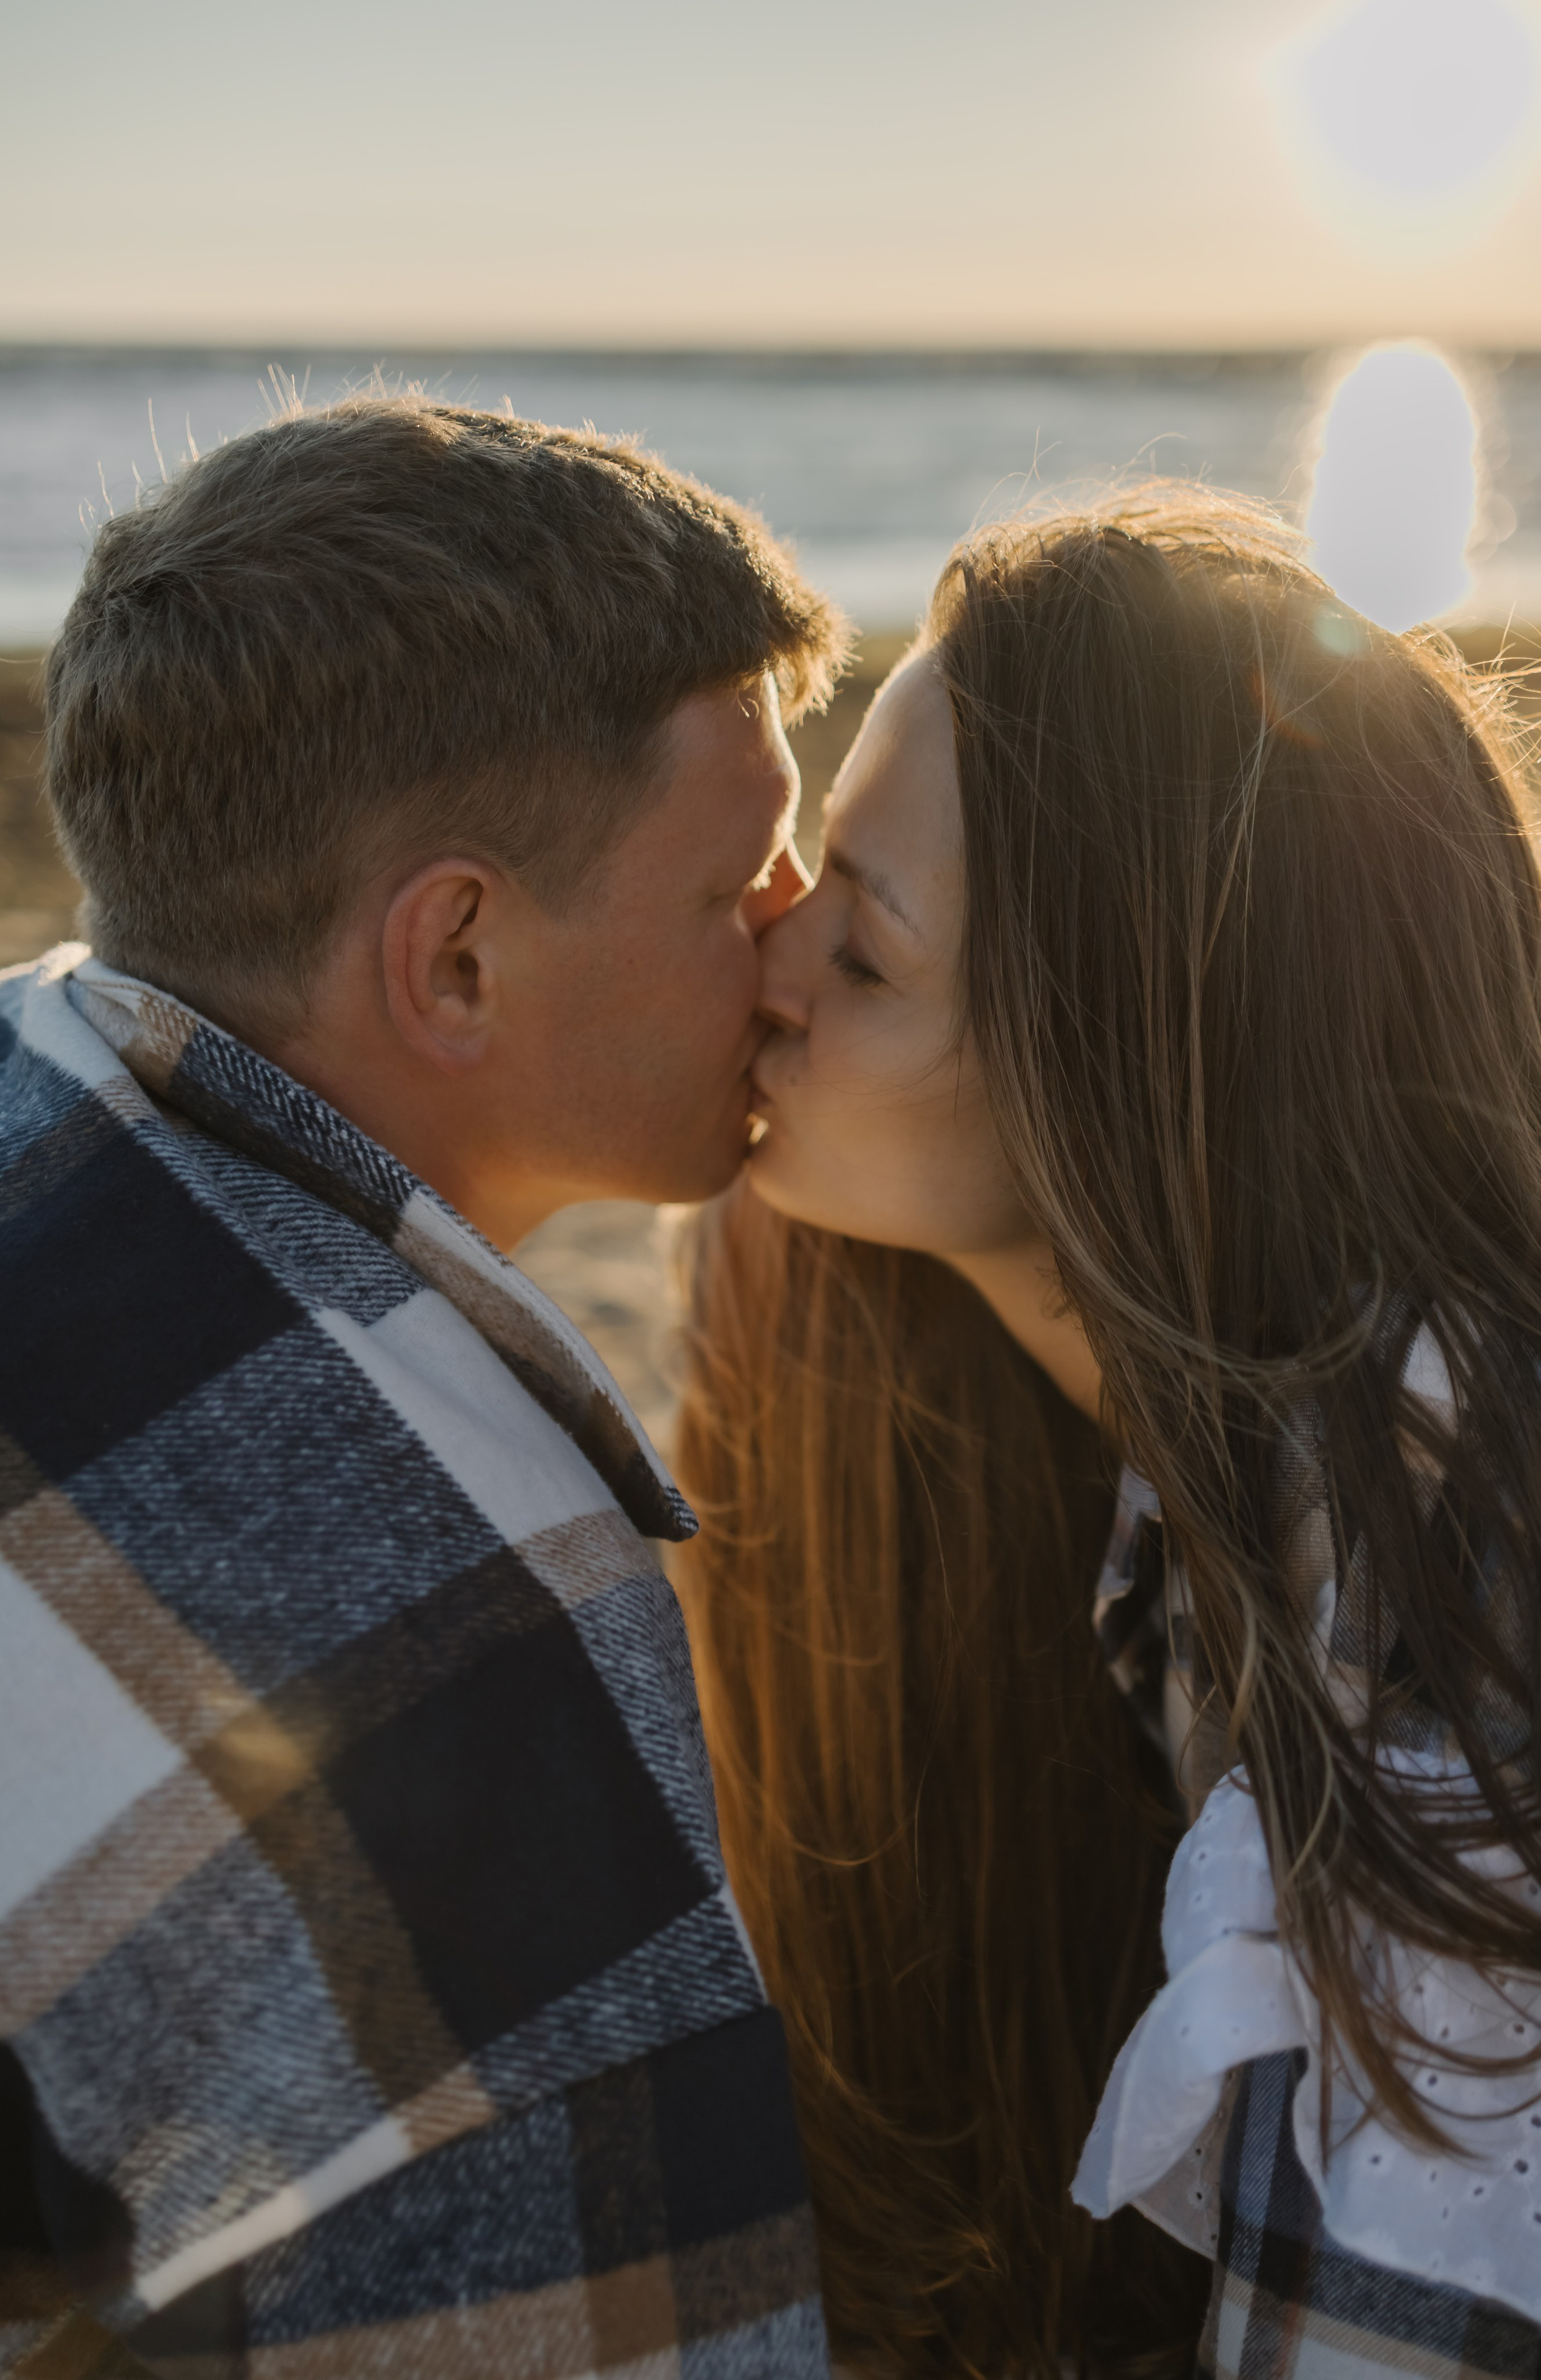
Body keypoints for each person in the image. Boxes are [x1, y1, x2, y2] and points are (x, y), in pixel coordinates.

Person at [673, 483, 1541, 2380]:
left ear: (1127, 1064)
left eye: (866, 953)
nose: (770, 966)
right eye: (816, 874)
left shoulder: (1440, 1515)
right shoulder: (1182, 1492)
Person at [0, 397, 848, 2376]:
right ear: (457, 957)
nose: (804, 935)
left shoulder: (40, 1074)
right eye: (740, 881)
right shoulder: (456, 1628)